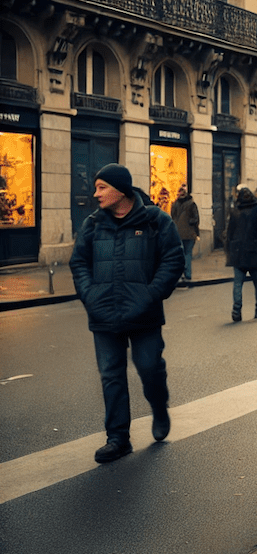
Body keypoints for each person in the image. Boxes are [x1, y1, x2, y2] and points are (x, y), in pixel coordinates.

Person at [71, 163, 183, 464]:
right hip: (103, 315)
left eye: (101, 187)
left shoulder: (155, 220)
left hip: (143, 314)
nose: (96, 194)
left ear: (121, 190)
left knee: (149, 368)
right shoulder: (94, 224)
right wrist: (90, 295)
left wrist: (149, 295)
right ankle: (118, 438)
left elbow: (173, 260)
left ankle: (159, 407)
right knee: (111, 376)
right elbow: (78, 262)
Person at [225, 185, 257, 322]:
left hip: (238, 252)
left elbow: (229, 234)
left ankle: (236, 310)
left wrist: (230, 249)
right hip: (253, 252)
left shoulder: (235, 212)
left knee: (238, 283)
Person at [170, 183, 199, 286]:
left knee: (181, 254)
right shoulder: (191, 204)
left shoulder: (174, 204)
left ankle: (181, 273)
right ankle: (187, 273)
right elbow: (195, 219)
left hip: (177, 233)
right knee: (188, 253)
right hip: (189, 233)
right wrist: (193, 227)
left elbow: (172, 217)